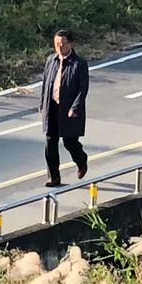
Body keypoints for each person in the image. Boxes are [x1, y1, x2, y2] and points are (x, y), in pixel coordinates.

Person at [41, 30, 89, 188]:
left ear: (71, 44)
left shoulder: (79, 64)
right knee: (50, 142)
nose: (59, 48)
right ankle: (54, 177)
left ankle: (81, 160)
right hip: (53, 106)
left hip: (69, 109)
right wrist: (43, 103)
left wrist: (75, 107)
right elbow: (46, 83)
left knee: (70, 142)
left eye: (63, 44)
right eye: (56, 44)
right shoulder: (51, 60)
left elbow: (83, 89)